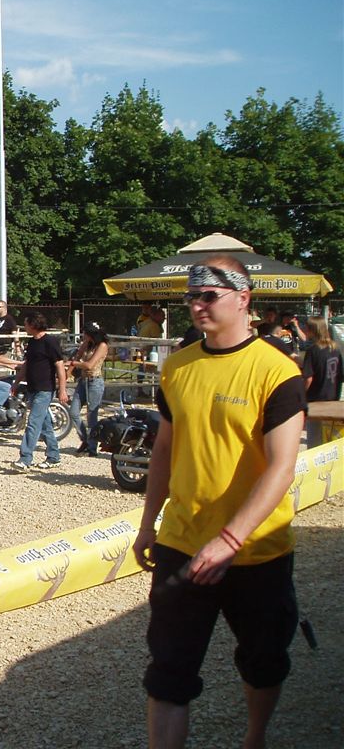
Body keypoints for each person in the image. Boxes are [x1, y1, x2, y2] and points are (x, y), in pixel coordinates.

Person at [131, 257, 305, 749]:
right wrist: (148, 524)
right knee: (168, 671)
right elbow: (164, 451)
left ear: (243, 298)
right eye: (191, 296)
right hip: (183, 543)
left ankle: (254, 738)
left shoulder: (276, 370)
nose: (197, 305)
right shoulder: (178, 365)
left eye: (209, 295)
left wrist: (230, 539)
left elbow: (281, 467)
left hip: (256, 550)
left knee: (263, 660)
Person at [12, 314, 68, 472]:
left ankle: (25, 459)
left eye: (26, 323)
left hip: (45, 389)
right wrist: (16, 382)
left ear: (33, 325)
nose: (24, 326)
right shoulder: (32, 342)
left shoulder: (50, 342)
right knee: (45, 425)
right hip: (33, 388)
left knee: (33, 423)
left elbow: (60, 366)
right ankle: (54, 456)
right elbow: (27, 364)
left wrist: (62, 389)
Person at [67, 322, 109, 457]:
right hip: (83, 381)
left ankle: (92, 447)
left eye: (85, 333)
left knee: (92, 415)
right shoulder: (87, 344)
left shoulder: (102, 346)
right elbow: (77, 356)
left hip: (95, 381)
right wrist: (67, 373)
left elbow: (90, 365)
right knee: (73, 412)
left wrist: (74, 363)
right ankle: (85, 439)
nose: (83, 335)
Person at [301, 316, 343, 446]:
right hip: (333, 399)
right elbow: (340, 375)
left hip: (316, 402)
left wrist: (301, 396)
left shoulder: (313, 351)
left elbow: (308, 378)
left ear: (312, 330)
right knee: (331, 440)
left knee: (315, 442)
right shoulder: (335, 348)